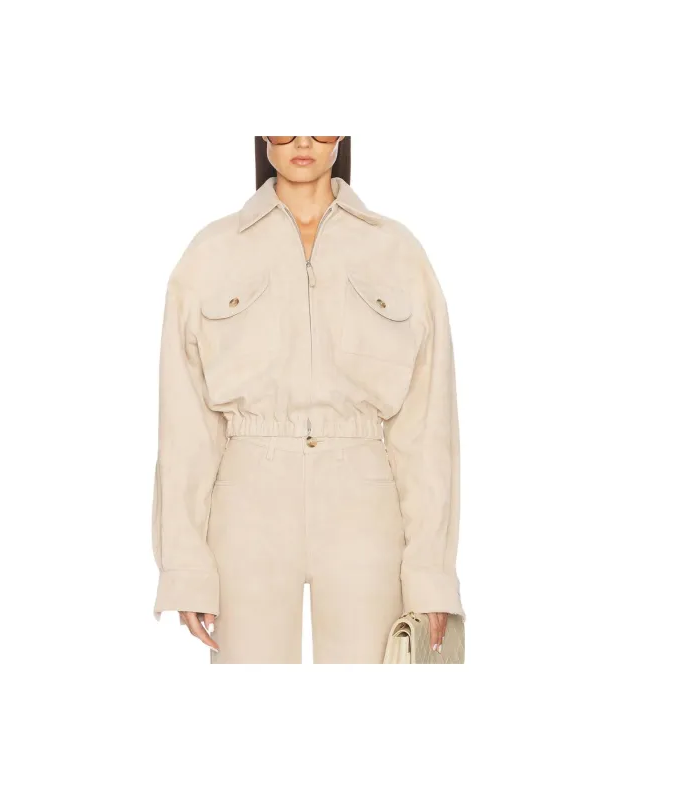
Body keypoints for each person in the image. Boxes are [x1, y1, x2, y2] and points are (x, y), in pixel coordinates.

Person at [151, 136, 466, 663]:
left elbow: (427, 425)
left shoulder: (396, 251)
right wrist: (185, 567)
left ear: (342, 134)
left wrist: (431, 574)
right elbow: (185, 425)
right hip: (248, 500)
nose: (302, 140)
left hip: (364, 500)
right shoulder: (212, 252)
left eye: (320, 125)